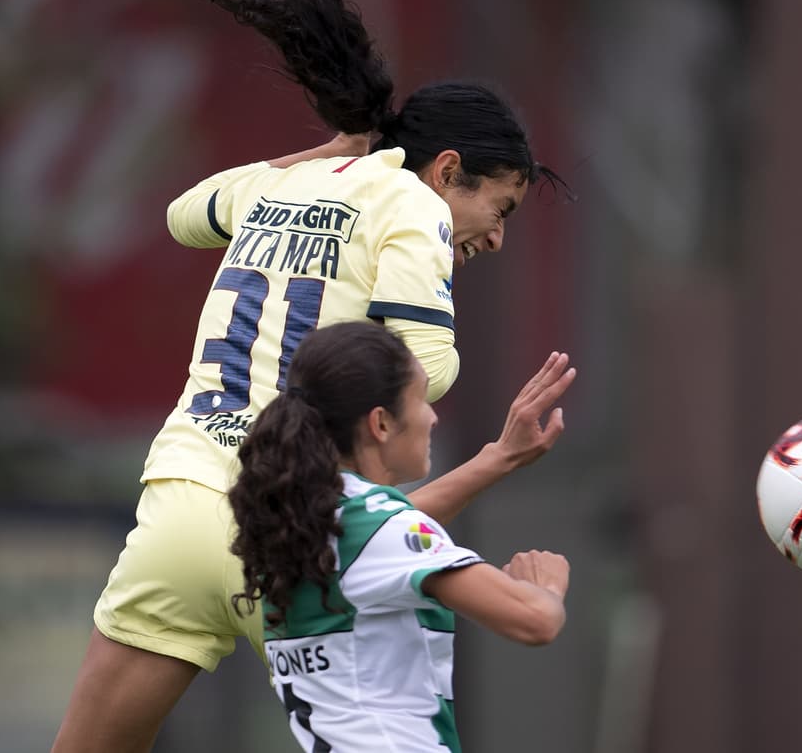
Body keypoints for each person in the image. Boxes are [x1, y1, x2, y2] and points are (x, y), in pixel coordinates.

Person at [52, 0, 569, 753]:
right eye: (498, 208)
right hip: (288, 523)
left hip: (178, 504)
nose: (497, 236)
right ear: (446, 171)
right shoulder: (413, 205)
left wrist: (323, 157)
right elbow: (424, 370)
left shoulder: (284, 187)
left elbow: (184, 215)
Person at [231, 320, 573, 753]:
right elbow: (535, 620)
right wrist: (545, 588)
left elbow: (388, 526)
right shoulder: (372, 530)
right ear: (381, 423)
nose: (432, 416)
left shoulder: (302, 523)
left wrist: (501, 456)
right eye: (422, 398)